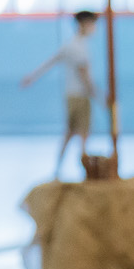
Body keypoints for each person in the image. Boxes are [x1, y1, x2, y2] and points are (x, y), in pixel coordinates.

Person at [21, 10, 98, 178]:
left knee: (71, 133)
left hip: (71, 95)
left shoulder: (72, 45)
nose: (94, 28)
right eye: (92, 24)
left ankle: (61, 167)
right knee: (82, 134)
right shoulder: (78, 47)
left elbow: (51, 61)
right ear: (84, 24)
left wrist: (32, 77)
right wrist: (96, 94)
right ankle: (84, 169)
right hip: (80, 96)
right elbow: (84, 74)